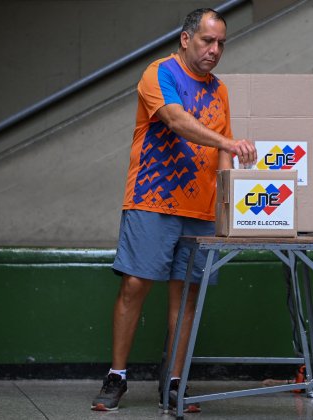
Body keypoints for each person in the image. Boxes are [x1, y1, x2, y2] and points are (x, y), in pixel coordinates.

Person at [91, 8, 257, 412]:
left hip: (200, 210)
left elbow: (222, 148)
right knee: (134, 286)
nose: (215, 50)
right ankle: (117, 377)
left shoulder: (219, 91)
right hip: (152, 200)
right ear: (186, 39)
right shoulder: (159, 73)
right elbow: (177, 120)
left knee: (187, 297)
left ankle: (175, 383)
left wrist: (225, 210)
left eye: (221, 43)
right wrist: (228, 145)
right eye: (207, 41)